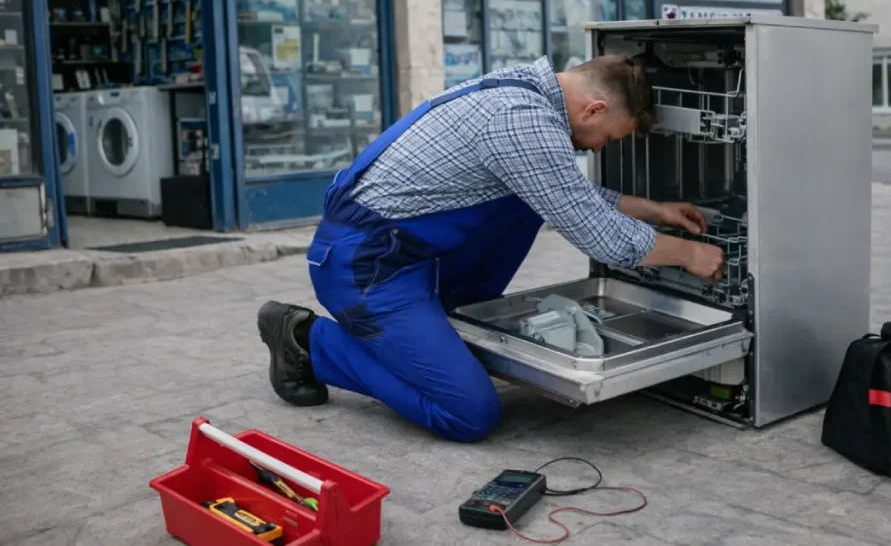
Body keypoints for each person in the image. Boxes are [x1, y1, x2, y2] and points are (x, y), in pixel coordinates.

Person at [257, 54, 726, 443]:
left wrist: (651, 209)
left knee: (525, 202)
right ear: (594, 109)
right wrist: (690, 255)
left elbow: (560, 192)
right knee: (468, 412)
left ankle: (440, 324)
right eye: (609, 138)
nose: (600, 149)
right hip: (366, 268)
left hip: (405, 252)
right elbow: (597, 234)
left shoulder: (525, 90)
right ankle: (307, 340)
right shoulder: (521, 121)